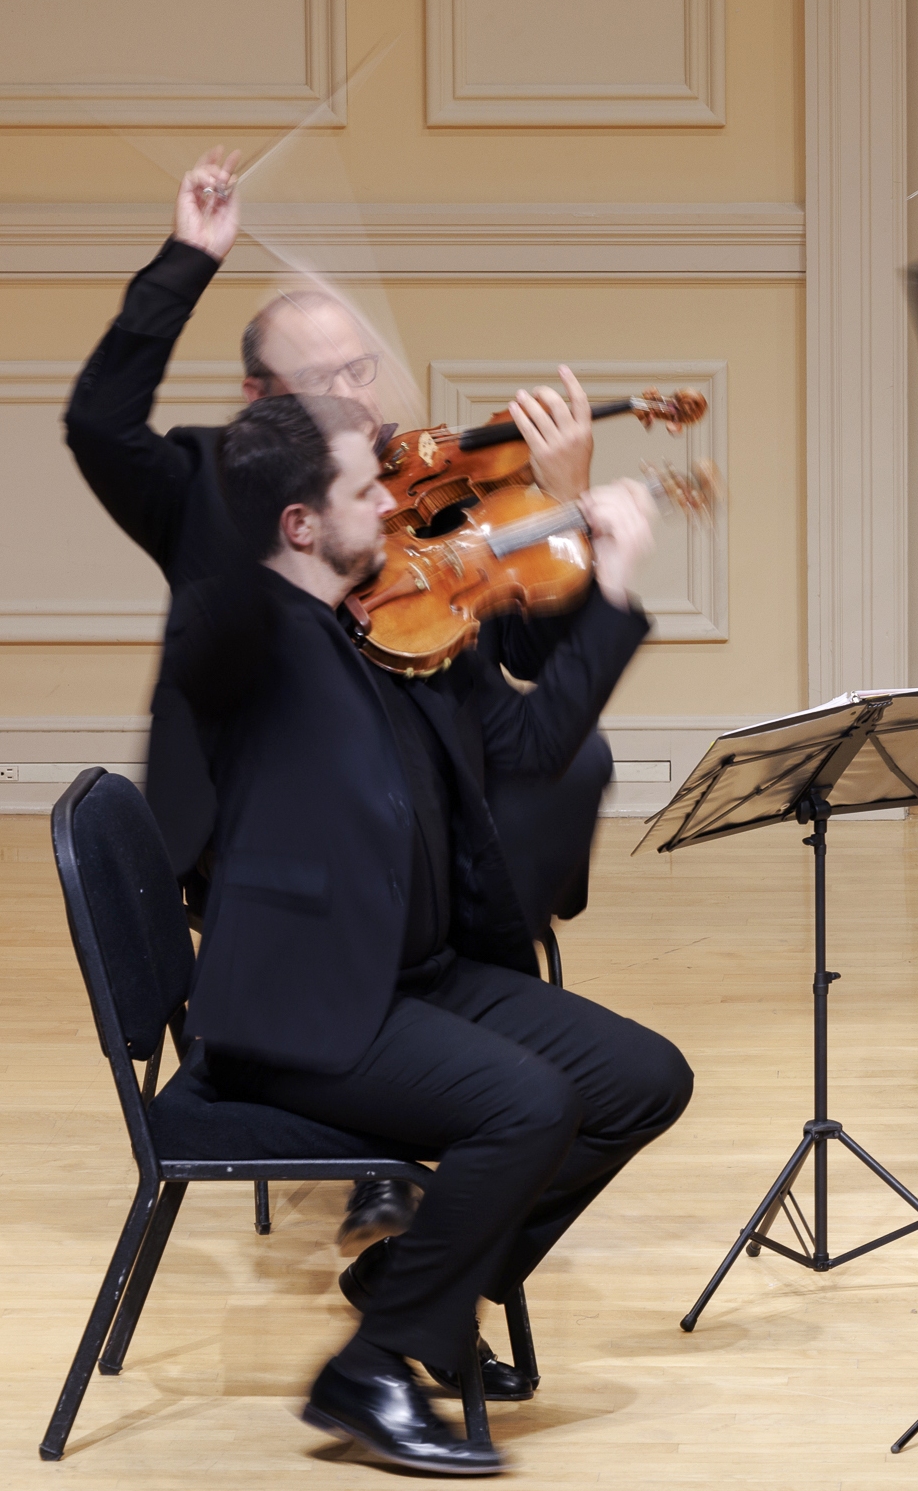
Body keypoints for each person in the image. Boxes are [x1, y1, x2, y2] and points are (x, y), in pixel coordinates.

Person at [64, 149, 618, 1253]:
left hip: (408, 822)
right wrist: (189, 258)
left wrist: (559, 512)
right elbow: (96, 424)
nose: (359, 400)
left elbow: (534, 636)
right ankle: (400, 1110)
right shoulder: (213, 488)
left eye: (363, 371)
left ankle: (455, 1108)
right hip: (258, 831)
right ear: (262, 399)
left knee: (514, 806)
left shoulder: (410, 500)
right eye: (326, 385)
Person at [176, 392, 690, 1476]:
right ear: (302, 527)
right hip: (303, 1009)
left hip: (417, 973)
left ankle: (416, 1283)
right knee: (527, 1107)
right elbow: (178, 513)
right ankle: (371, 1370)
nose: (404, 501)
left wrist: (612, 580)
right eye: (369, 490)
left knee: (644, 1078)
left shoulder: (416, 622)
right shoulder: (253, 641)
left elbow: (540, 739)